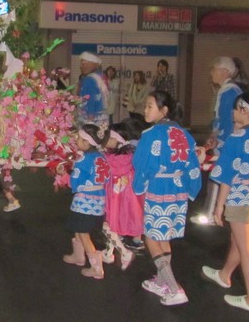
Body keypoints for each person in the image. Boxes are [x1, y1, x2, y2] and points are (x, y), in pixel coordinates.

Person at [201, 92, 249, 313]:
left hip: (240, 199)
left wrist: (219, 206)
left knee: (246, 249)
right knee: (238, 241)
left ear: (244, 110)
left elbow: (226, 177)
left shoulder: (237, 138)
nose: (232, 112)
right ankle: (224, 275)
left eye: (235, 108)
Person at [133, 90, 202, 306]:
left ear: (164, 110)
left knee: (151, 237)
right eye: (145, 105)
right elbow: (193, 166)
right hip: (178, 191)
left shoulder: (150, 135)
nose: (145, 110)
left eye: (150, 106)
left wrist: (139, 186)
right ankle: (161, 281)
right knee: (164, 237)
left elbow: (141, 165)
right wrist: (192, 189)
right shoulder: (185, 134)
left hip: (159, 189)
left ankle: (174, 288)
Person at [192, 56, 243, 226]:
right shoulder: (232, 90)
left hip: (226, 142)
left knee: (217, 176)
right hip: (229, 141)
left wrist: (217, 138)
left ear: (224, 72)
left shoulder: (228, 91)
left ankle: (212, 214)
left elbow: (225, 120)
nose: (211, 73)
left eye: (214, 69)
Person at [62, 123, 110, 280]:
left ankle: (96, 267)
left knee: (83, 233)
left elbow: (74, 182)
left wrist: (70, 173)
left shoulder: (84, 160)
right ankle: (78, 256)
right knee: (79, 228)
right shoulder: (101, 157)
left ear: (88, 142)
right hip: (98, 199)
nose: (77, 141)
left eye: (80, 139)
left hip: (84, 201)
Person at [101, 122, 144, 270]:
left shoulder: (109, 158)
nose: (106, 139)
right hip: (129, 199)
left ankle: (124, 252)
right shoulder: (132, 156)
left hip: (114, 198)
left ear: (117, 139)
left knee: (108, 226)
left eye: (109, 137)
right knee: (113, 225)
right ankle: (108, 253)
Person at [77, 52, 109, 127]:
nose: (81, 67)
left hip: (89, 118)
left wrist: (90, 119)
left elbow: (90, 99)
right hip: (102, 116)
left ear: (92, 64)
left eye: (83, 64)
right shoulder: (102, 77)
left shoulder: (89, 79)